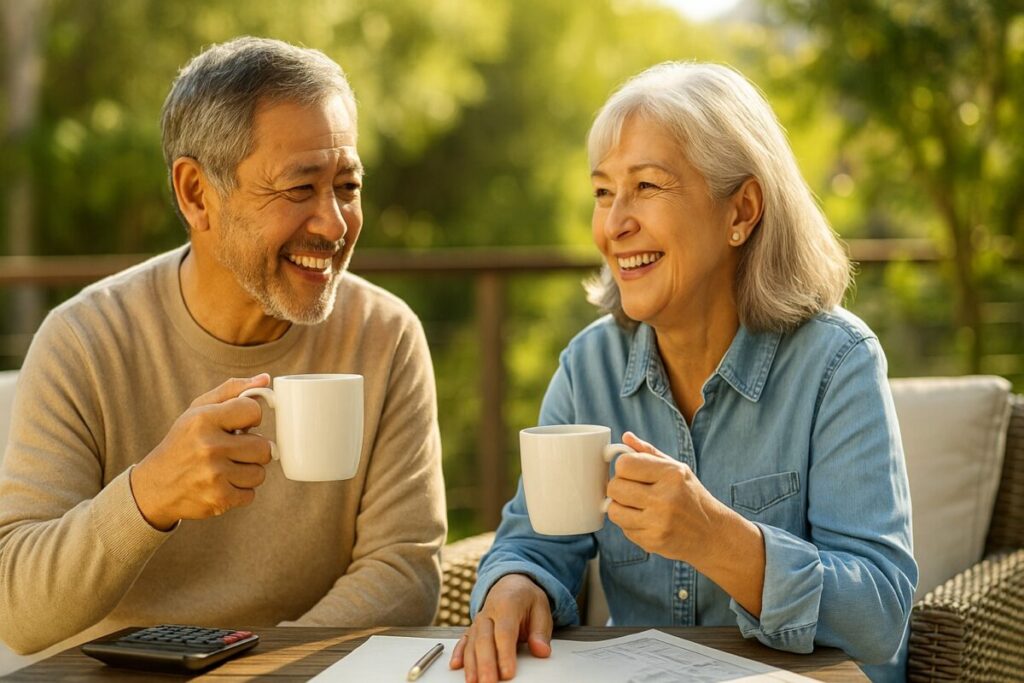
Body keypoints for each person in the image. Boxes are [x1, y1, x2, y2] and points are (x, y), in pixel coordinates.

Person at [451, 62, 917, 683]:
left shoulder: (837, 363)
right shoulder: (588, 368)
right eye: (602, 192)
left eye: (646, 186)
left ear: (741, 211)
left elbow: (880, 616)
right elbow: (534, 544)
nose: (614, 224)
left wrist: (715, 538)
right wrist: (513, 588)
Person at [0, 37, 446, 655]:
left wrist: (251, 669)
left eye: (347, 185)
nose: (335, 222)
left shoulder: (385, 335)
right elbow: (17, 613)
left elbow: (404, 573)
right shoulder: (84, 341)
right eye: (298, 190)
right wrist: (149, 495)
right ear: (196, 193)